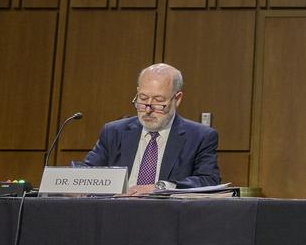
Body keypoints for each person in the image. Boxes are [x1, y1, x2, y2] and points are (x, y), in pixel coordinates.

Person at [82, 63, 221, 195]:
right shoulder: (113, 132)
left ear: (177, 99)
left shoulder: (200, 137)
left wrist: (159, 187)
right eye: (143, 98)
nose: (148, 109)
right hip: (117, 211)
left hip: (168, 214)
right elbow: (86, 172)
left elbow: (209, 180)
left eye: (159, 101)